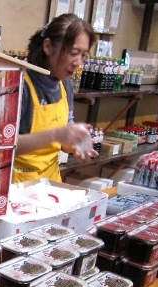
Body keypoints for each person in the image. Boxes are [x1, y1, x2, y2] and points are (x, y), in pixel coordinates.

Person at [14, 14, 98, 183]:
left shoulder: (65, 84)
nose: (78, 62)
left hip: (50, 183)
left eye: (83, 55)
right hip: (17, 185)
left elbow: (64, 140)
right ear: (48, 46)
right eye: (73, 53)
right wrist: (56, 135)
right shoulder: (19, 85)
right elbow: (4, 146)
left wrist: (76, 141)